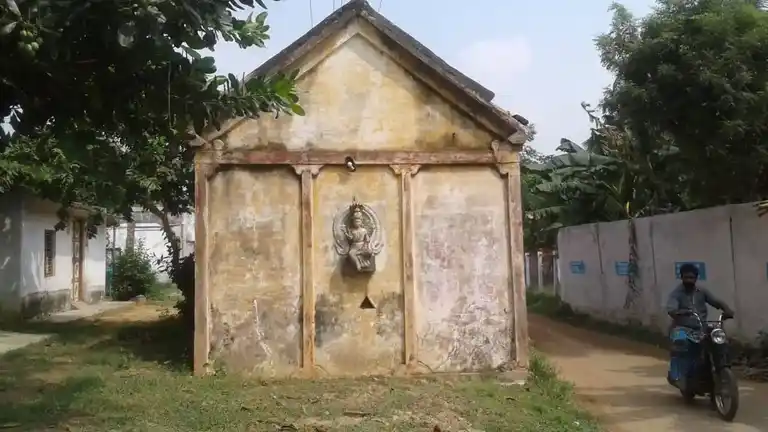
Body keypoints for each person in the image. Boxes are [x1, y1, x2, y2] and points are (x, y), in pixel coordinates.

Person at [665, 263, 734, 386]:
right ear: (681, 278)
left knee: (719, 341)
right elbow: (671, 308)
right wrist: (679, 312)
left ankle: (721, 367)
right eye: (686, 278)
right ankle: (679, 377)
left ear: (696, 278)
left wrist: (726, 309)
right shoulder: (676, 293)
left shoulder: (701, 291)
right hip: (682, 328)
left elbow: (715, 301)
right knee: (681, 344)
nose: (689, 280)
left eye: (692, 278)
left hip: (701, 327)